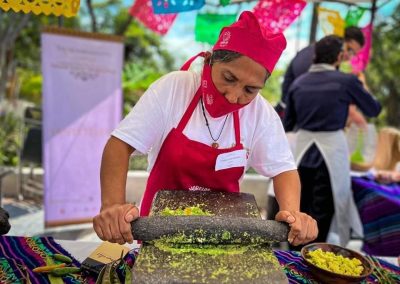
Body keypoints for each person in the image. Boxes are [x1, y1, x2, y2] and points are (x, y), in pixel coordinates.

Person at [93, 11, 318, 246]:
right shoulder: (174, 88)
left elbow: (284, 169)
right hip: (160, 228)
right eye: (229, 78)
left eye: (250, 90)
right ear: (210, 60)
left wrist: (293, 214)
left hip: (225, 234)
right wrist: (112, 206)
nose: (233, 97)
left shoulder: (261, 115)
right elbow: (120, 145)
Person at [283, 35, 381, 247]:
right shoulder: (346, 81)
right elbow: (374, 109)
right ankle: (316, 256)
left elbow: (289, 124)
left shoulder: (298, 83)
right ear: (339, 57)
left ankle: (293, 256)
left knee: (299, 208)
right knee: (324, 209)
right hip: (331, 155)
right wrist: (362, 87)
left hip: (301, 154)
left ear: (315, 56)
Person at [276, 26, 365, 117]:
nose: (349, 56)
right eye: (349, 49)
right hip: (289, 119)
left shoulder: (329, 60)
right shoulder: (311, 56)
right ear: (340, 39)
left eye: (354, 54)